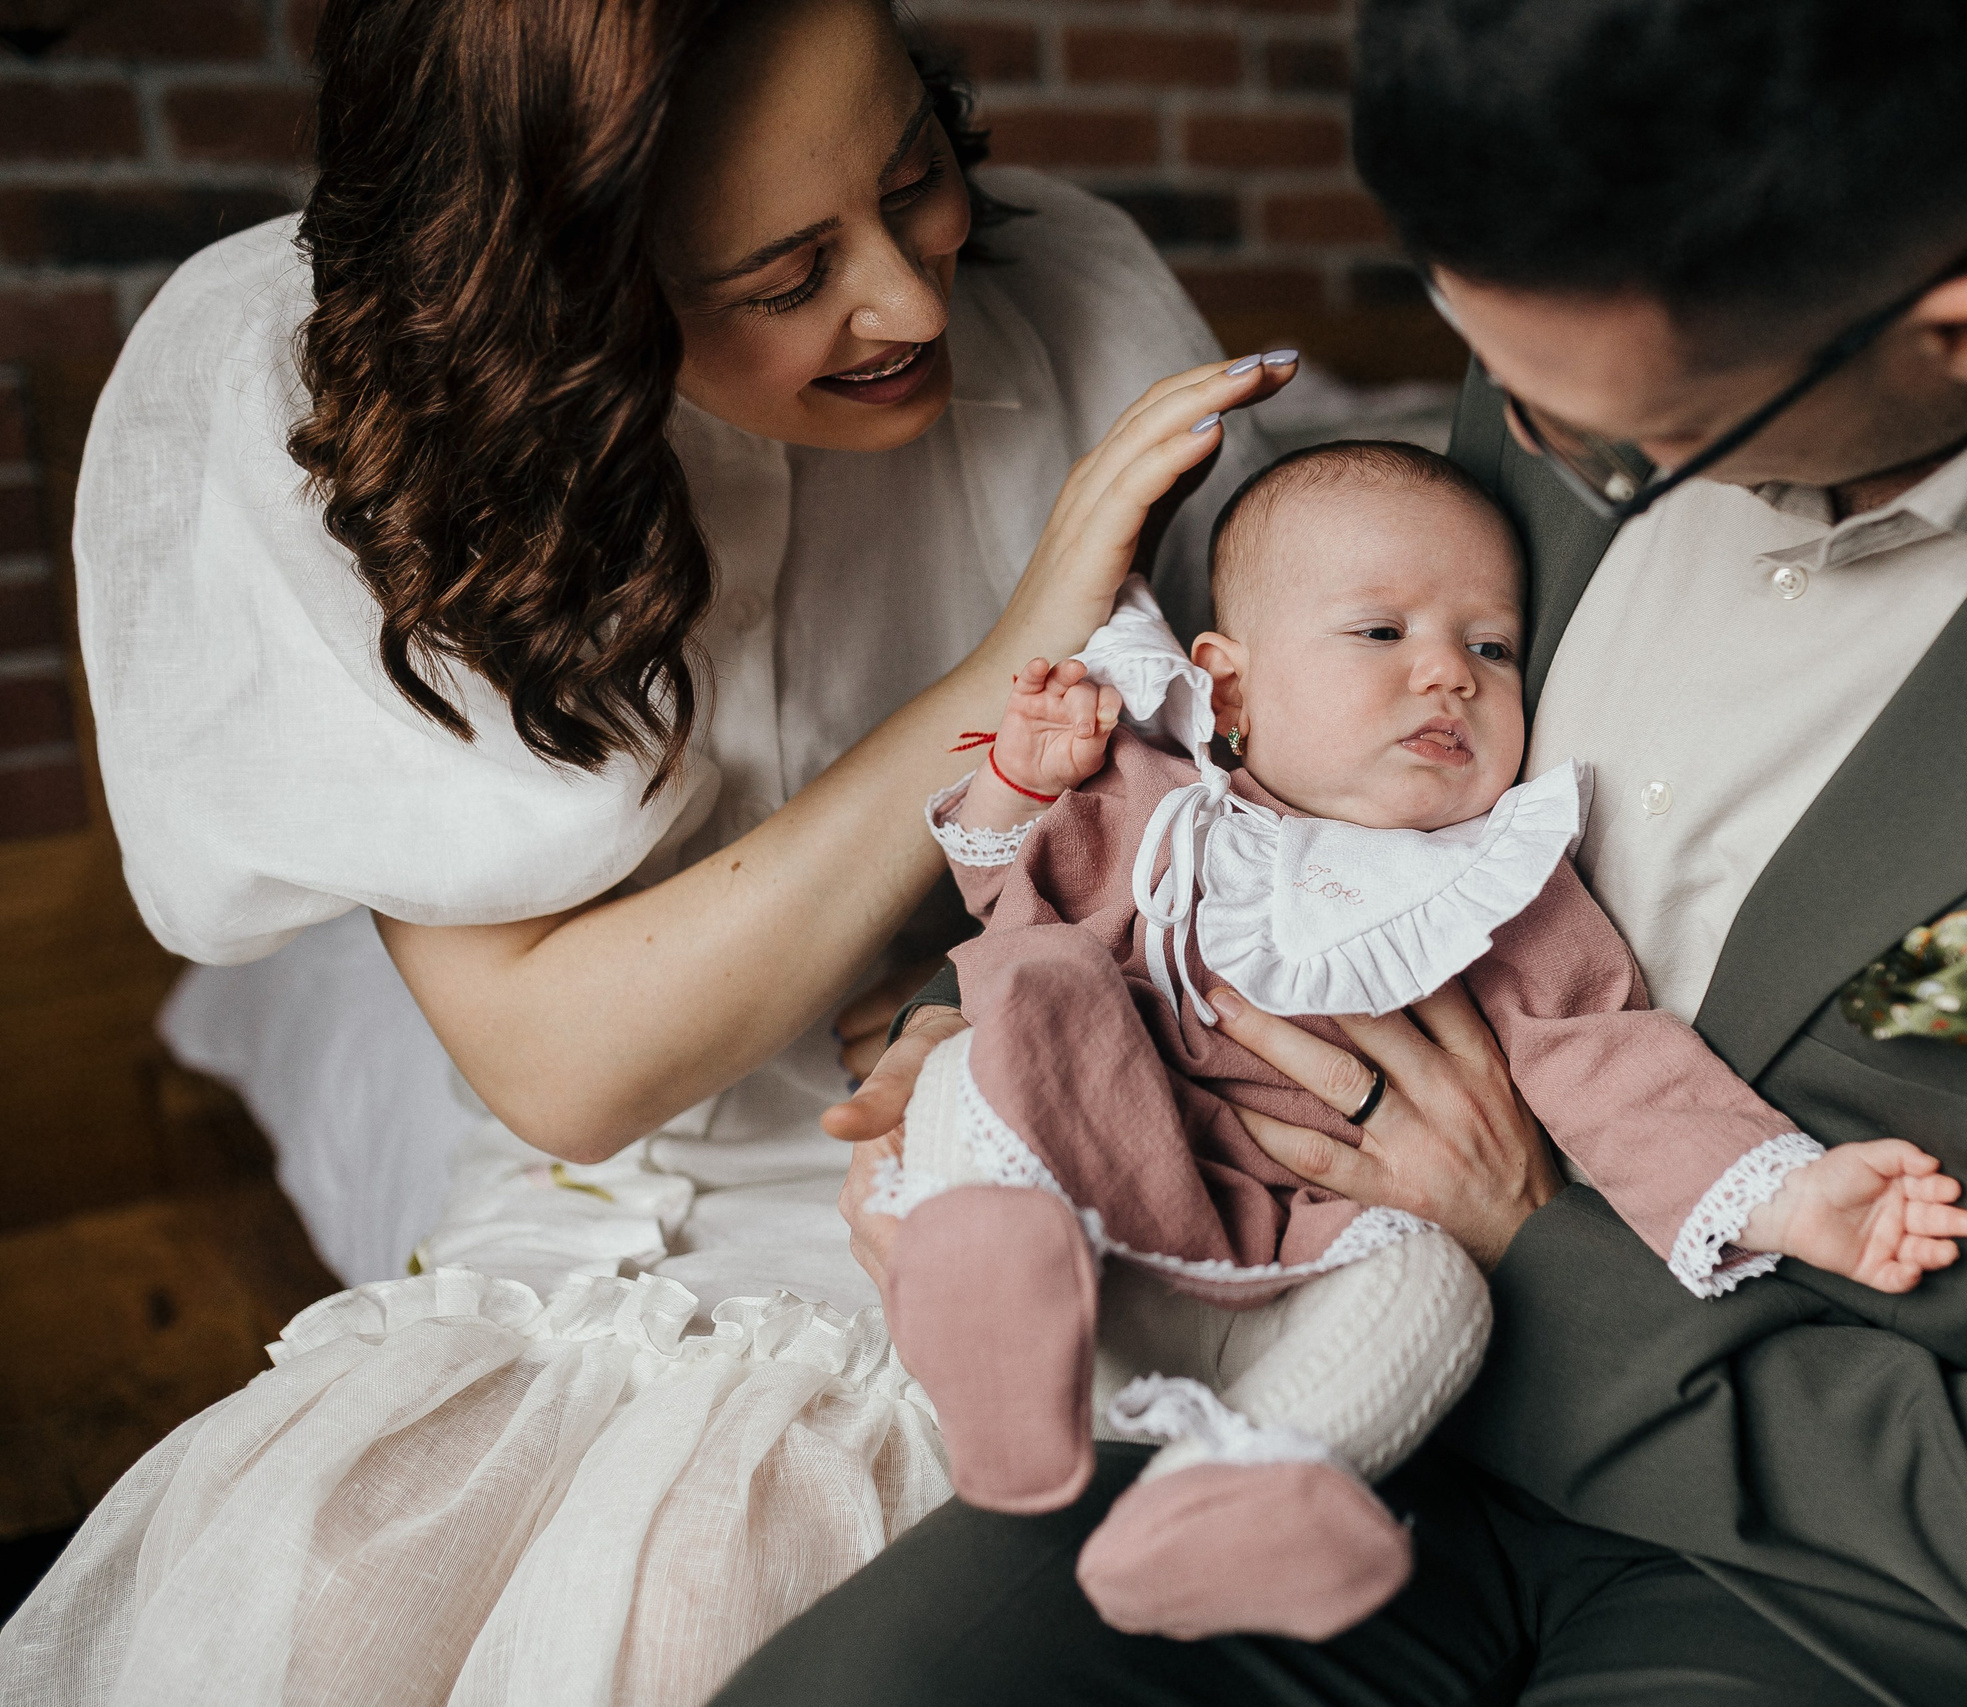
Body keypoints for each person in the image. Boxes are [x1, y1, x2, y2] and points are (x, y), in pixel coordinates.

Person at [731, 3, 1967, 1704]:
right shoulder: (1621, 237)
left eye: (1608, 446)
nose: (1526, 445)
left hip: (1834, 1577)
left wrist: (1535, 1261)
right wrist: (1089, 1016)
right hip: (1282, 1375)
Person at [1, 0, 1289, 1699]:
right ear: (564, 301)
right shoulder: (335, 406)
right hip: (577, 1219)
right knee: (318, 1603)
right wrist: (1005, 665)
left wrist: (1010, 994)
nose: (910, 300)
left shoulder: (1078, 304)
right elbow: (566, 1066)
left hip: (1014, 1188)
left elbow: (1286, 817)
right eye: (780, 277)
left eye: (917, 181)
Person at [877, 443, 1967, 1642]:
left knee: (1434, 1285)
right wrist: (1020, 788)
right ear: (1231, 693)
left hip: (1303, 1256)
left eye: (1491, 648)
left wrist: (1790, 1195)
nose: (1448, 675)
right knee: (1005, 1018)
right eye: (1379, 634)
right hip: (1102, 1211)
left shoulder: (1501, 888)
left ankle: (1243, 1495)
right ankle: (998, 1309)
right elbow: (1007, 900)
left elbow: (1612, 1064)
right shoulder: (1160, 808)